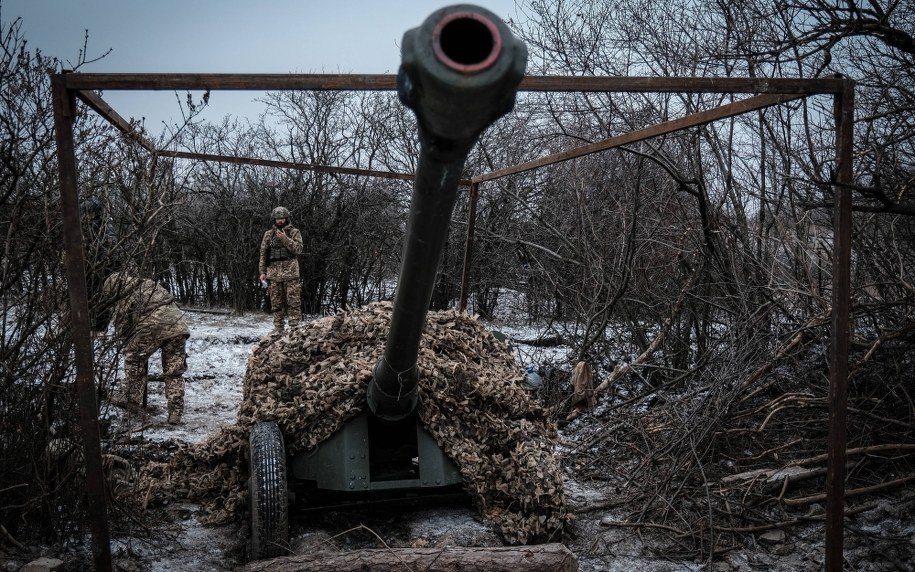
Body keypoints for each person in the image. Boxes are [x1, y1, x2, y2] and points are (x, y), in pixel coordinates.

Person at [102, 270, 190, 424]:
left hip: (152, 326)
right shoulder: (148, 283)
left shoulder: (124, 294)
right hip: (178, 325)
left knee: (133, 360)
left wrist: (128, 344)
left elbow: (122, 326)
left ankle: (132, 403)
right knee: (174, 373)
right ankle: (175, 414)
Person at [259, 206, 304, 334]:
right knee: (276, 304)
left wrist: (285, 239)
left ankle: (295, 329)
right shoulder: (268, 234)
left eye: (282, 218)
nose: (280, 221)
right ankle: (278, 328)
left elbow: (298, 250)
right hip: (274, 274)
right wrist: (262, 272)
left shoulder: (294, 232)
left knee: (293, 303)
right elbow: (263, 254)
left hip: (290, 273)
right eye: (277, 218)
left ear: (286, 218)